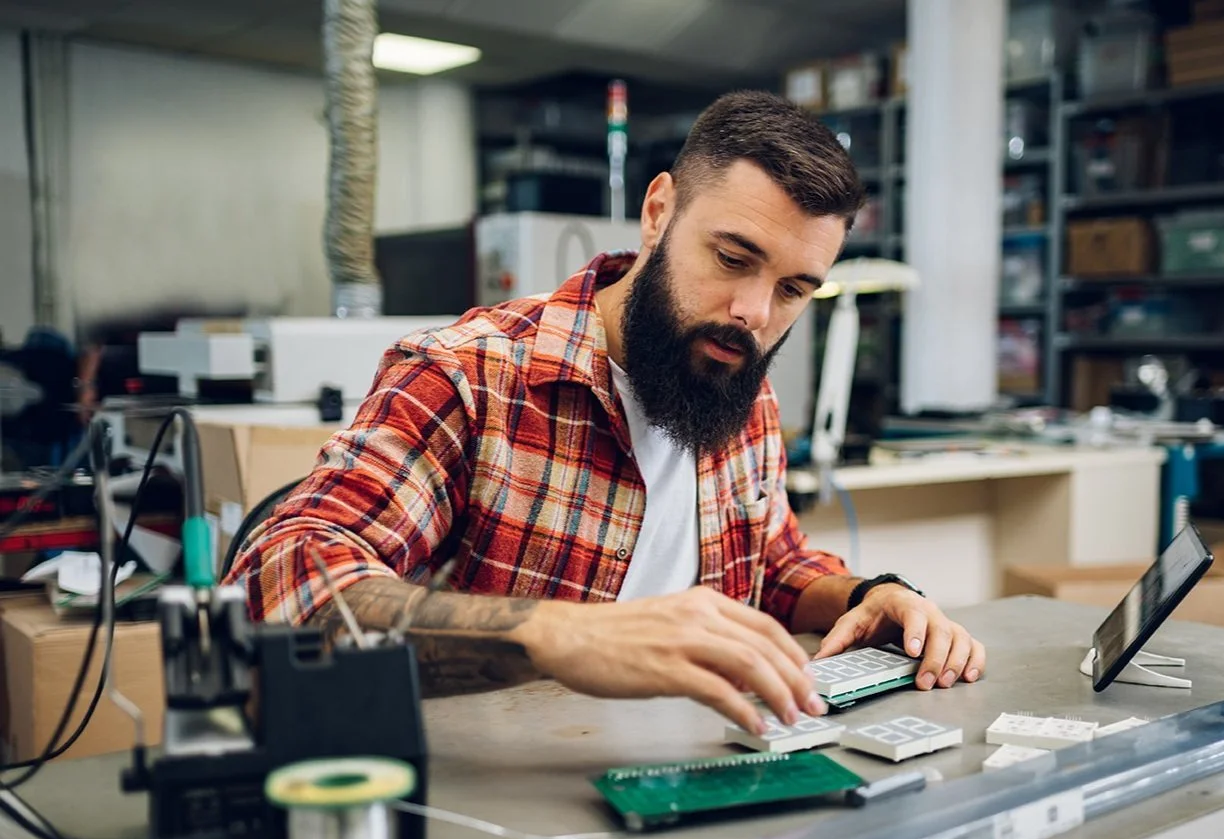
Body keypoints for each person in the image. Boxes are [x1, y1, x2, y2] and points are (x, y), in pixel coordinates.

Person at [227, 91, 985, 737]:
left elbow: (773, 567)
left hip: (683, 774)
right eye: (730, 259)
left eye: (793, 290)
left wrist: (868, 597)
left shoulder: (732, 385)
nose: (752, 312)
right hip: (483, 803)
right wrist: (560, 635)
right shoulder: (468, 375)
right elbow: (283, 584)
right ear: (658, 212)